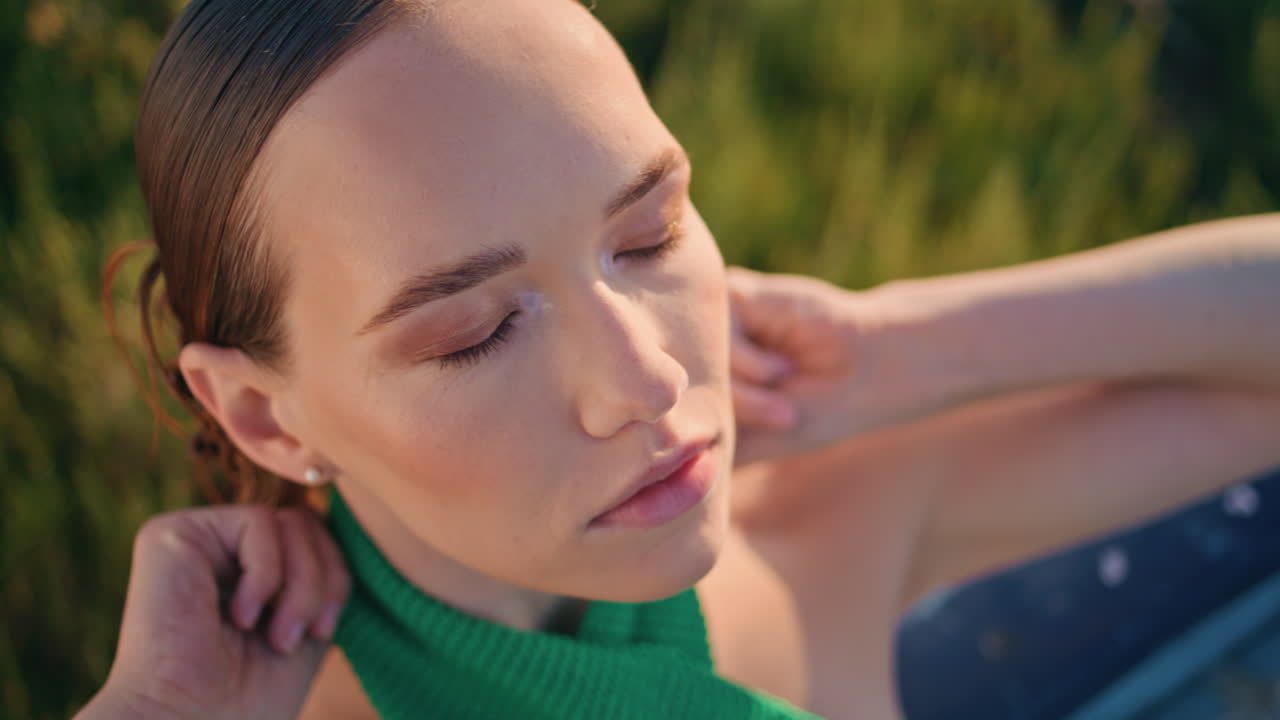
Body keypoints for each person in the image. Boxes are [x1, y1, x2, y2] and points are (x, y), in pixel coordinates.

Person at [81, 0, 1280, 716]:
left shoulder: (799, 525)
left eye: (646, 231)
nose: (647, 381)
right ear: (265, 416)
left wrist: (905, 350)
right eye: (476, 331)